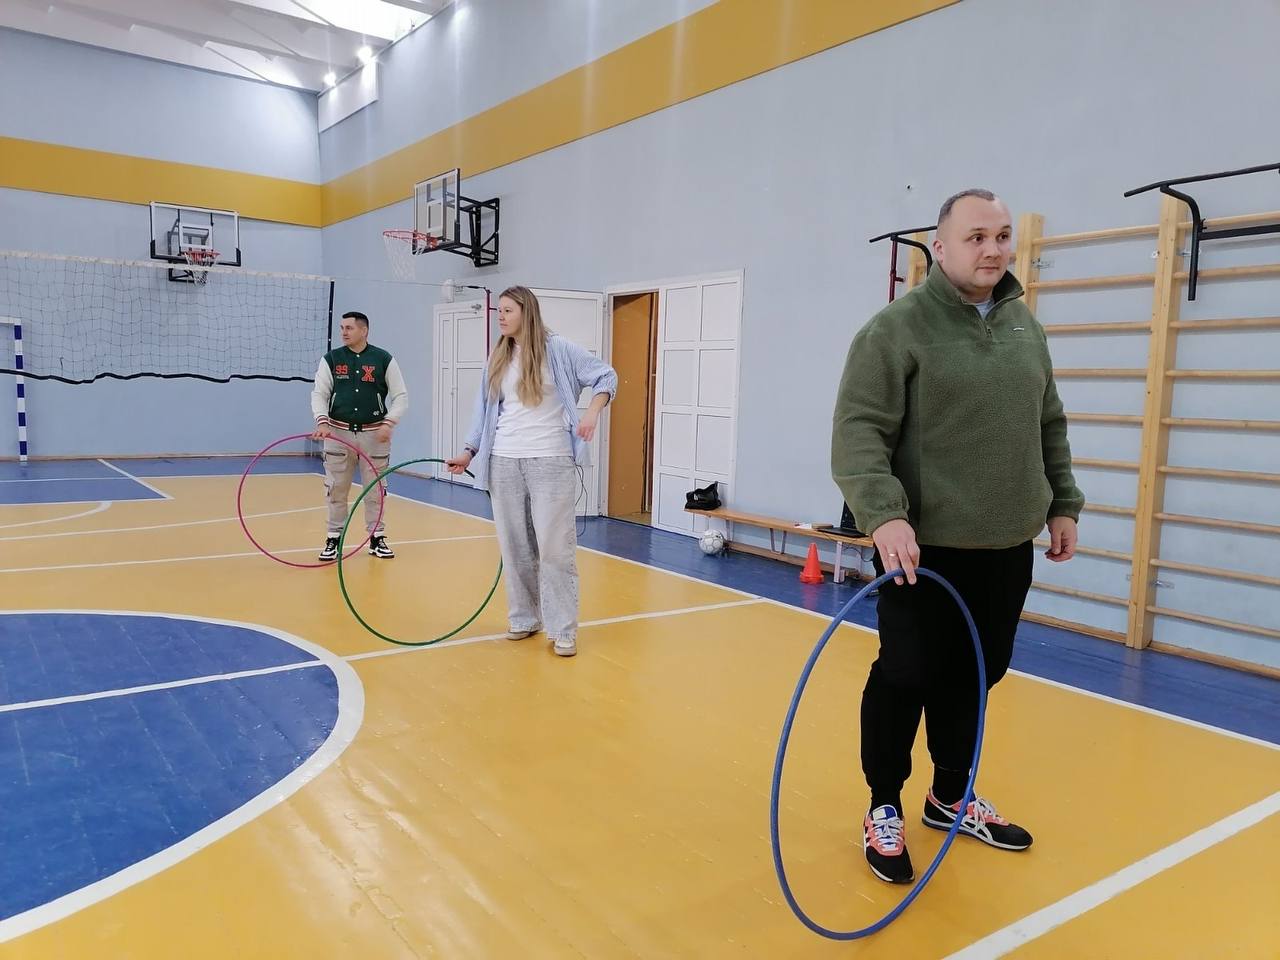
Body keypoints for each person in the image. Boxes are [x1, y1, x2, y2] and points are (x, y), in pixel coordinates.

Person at [831, 189, 1084, 884]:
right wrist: (884, 514)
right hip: (922, 551)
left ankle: (949, 797)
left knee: (977, 675)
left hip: (1005, 548)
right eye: (976, 237)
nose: (993, 249)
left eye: (1002, 235)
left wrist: (1062, 502)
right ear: (939, 247)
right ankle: (884, 804)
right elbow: (858, 433)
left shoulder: (1025, 328)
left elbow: (1049, 423)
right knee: (906, 673)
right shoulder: (895, 330)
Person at [447, 286, 617, 658]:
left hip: (550, 462)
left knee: (555, 550)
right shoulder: (498, 356)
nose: (501, 316)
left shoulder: (560, 349)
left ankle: (563, 629)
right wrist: (469, 451)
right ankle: (525, 619)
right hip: (504, 462)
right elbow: (483, 410)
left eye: (508, 310)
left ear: (527, 312)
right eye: (500, 310)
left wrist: (590, 413)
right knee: (516, 548)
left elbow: (606, 377)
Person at [310, 311, 408, 561]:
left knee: (376, 490)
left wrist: (389, 422)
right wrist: (322, 420)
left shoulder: (383, 359)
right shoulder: (331, 359)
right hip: (337, 433)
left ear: (364, 331)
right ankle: (334, 539)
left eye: (349, 328)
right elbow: (319, 393)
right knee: (336, 489)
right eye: (342, 327)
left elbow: (401, 397)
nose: (343, 332)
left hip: (374, 435)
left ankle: (377, 538)